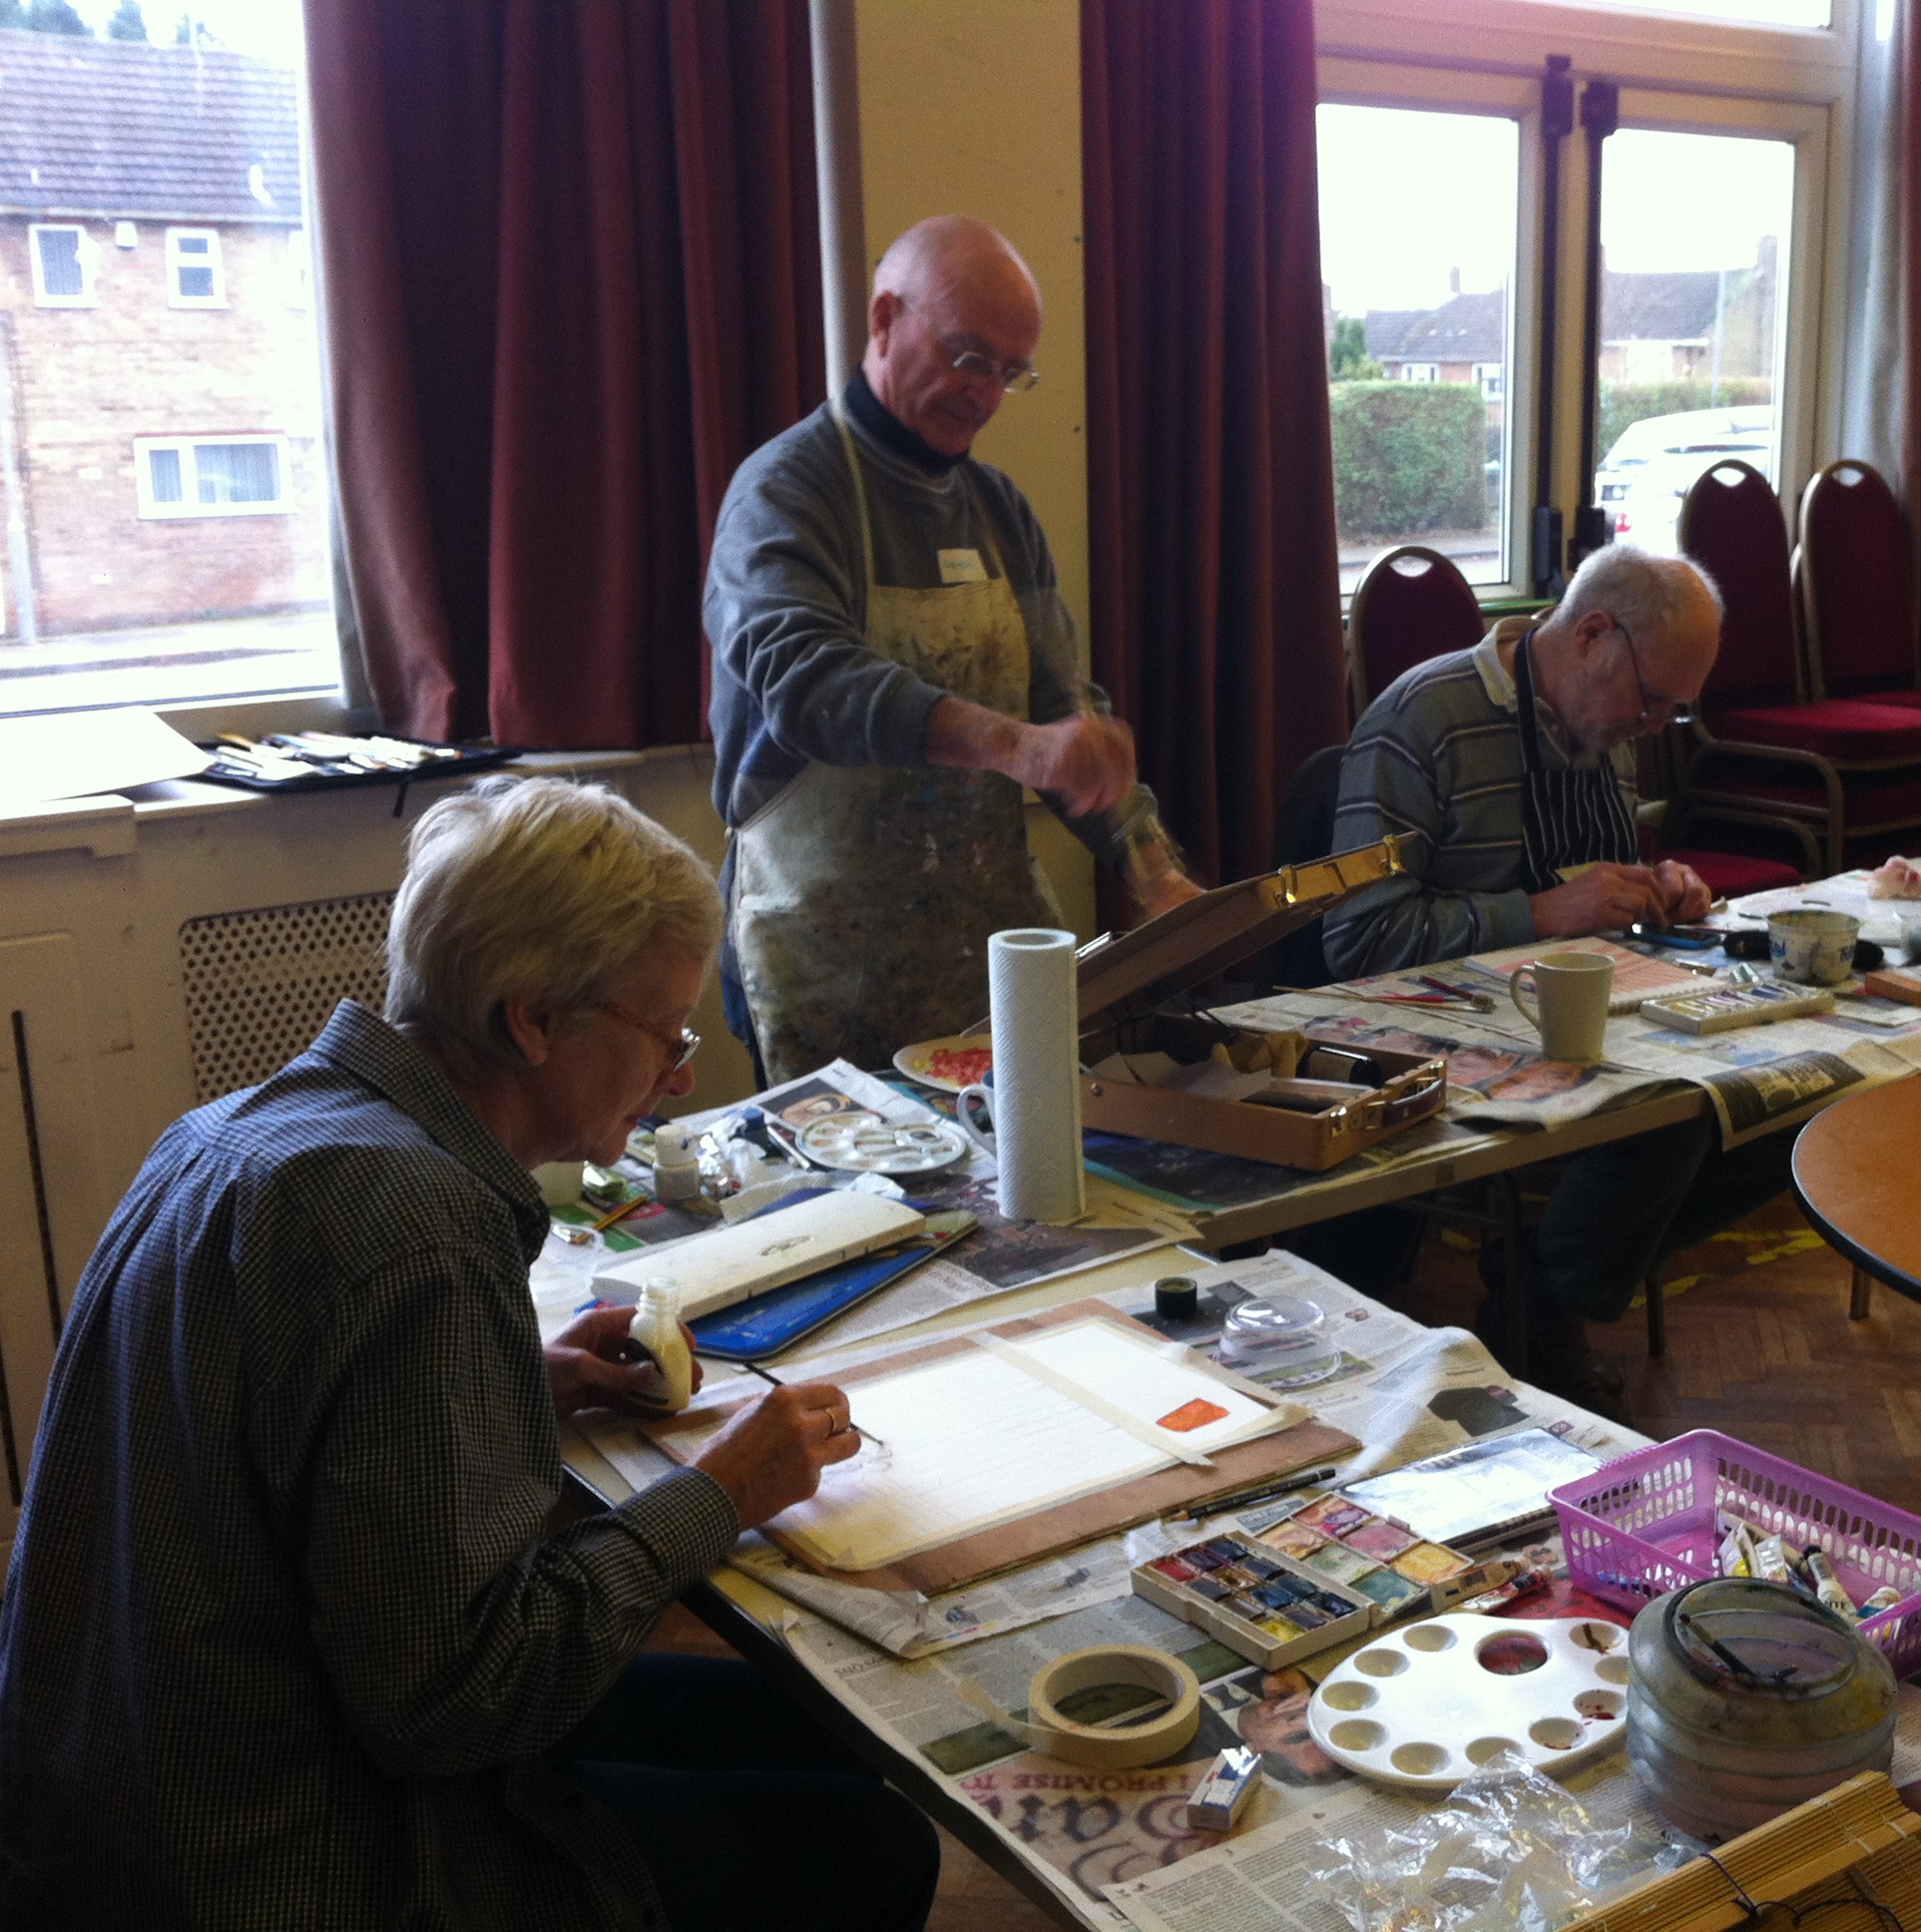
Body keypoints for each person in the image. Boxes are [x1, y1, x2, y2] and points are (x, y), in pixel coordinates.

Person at [0, 777, 940, 1932]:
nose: (682, 1076)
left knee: (811, 1727)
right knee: (876, 1847)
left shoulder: (235, 1132)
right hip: (272, 1861)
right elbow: (461, 1698)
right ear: (532, 1018)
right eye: (667, 1033)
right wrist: (721, 1494)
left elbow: (275, 1433)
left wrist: (516, 1383)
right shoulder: (423, 1228)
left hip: (115, 1800)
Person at [705, 214, 1198, 1084]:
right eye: (969, 357)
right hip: (822, 966)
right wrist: (1015, 746)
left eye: (1010, 373)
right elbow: (807, 679)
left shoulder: (1000, 511)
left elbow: (1062, 708)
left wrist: (1153, 870)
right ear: (884, 319)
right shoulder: (785, 492)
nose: (986, 394)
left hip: (985, 958)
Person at [1321, 545, 1794, 1417]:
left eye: (1675, 711)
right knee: (1673, 1111)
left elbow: (1598, 885)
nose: (1655, 728)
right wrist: (1538, 913)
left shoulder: (1604, 724)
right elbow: (1357, 939)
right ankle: (1548, 1301)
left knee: (1784, 1095)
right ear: (1591, 636)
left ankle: (1540, 1275)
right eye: (1652, 701)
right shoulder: (1422, 721)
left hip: (1582, 1006)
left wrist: (1660, 888)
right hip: (1445, 1025)